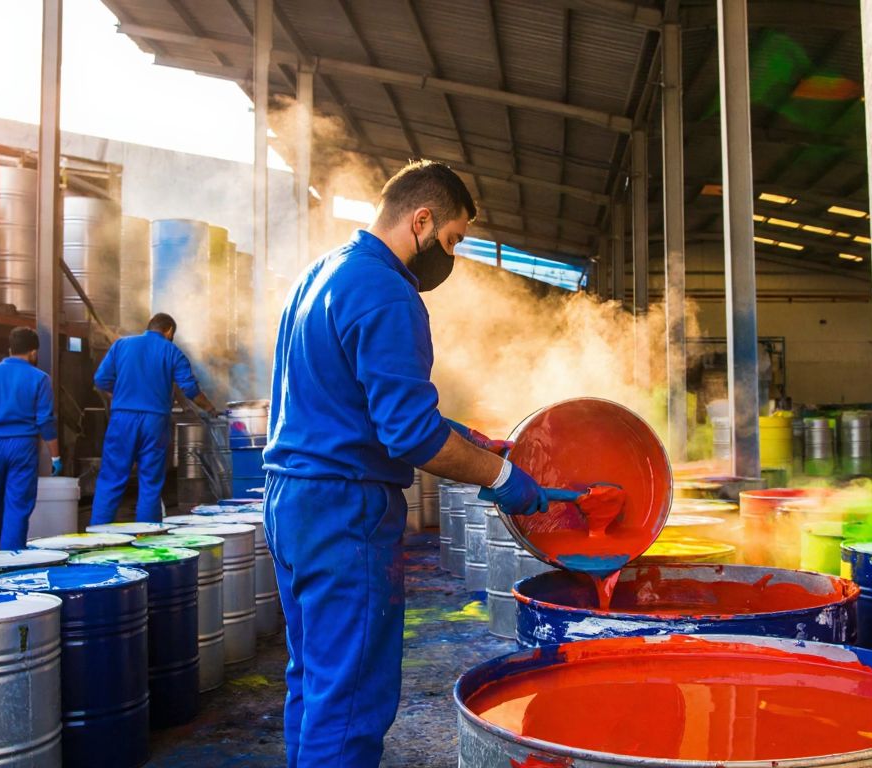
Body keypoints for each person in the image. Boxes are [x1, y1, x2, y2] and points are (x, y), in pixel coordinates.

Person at [263, 159, 551, 768]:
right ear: (421, 220)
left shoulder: (322, 273)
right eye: (452, 240)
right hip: (346, 510)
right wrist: (503, 479)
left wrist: (472, 438)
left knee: (315, 678)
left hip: (293, 502)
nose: (451, 256)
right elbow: (410, 436)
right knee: (351, 699)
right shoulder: (388, 293)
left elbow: (360, 405)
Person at [91, 313, 217, 523]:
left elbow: (101, 379)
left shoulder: (121, 345)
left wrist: (121, 394)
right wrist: (211, 409)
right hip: (154, 422)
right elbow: (190, 389)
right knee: (150, 483)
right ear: (169, 331)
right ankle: (147, 539)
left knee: (111, 479)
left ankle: (96, 537)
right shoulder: (172, 351)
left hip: (122, 419)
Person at [0, 326, 61, 550]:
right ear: (34, 353)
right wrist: (56, 457)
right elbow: (45, 421)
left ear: (10, 349)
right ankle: (10, 564)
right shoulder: (40, 378)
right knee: (17, 506)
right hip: (22, 446)